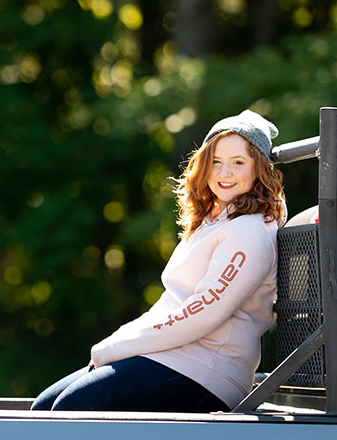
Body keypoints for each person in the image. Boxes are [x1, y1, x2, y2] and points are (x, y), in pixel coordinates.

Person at [31, 110, 286, 413]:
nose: (223, 173)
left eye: (238, 162)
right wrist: (117, 341)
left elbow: (202, 314)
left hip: (207, 371)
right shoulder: (215, 221)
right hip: (175, 356)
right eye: (216, 162)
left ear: (260, 169)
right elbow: (171, 305)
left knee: (71, 408)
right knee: (44, 407)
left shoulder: (250, 231)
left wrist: (118, 348)